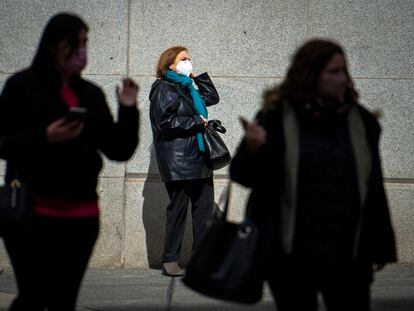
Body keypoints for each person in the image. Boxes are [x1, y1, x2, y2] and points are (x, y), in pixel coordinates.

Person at [230, 39, 396, 311]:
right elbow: (242, 176)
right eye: (334, 71)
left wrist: (380, 245)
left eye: (345, 71)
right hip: (290, 255)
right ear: (310, 74)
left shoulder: (361, 121)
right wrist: (252, 149)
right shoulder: (276, 117)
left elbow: (373, 187)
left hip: (347, 255)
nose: (343, 78)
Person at [0, 13, 139, 310]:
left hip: (81, 217)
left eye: (85, 43)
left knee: (64, 300)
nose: (81, 51)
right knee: (33, 298)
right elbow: (4, 141)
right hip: (31, 215)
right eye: (75, 43)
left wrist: (128, 109)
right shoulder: (21, 86)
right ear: (54, 45)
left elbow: (118, 149)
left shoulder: (89, 94)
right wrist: (44, 137)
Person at [149, 46, 220, 276]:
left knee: (203, 211)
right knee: (178, 209)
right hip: (178, 160)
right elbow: (165, 123)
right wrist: (196, 123)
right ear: (171, 64)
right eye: (184, 59)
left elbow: (212, 97)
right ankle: (170, 259)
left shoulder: (188, 88)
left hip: (199, 157)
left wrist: (196, 77)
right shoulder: (163, 88)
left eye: (189, 58)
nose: (188, 61)